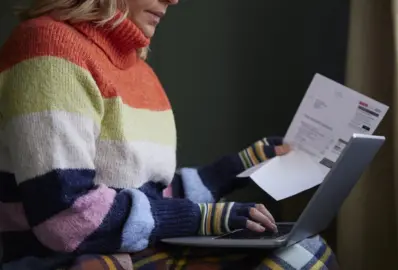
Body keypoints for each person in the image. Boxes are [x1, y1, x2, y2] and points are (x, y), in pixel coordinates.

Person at [0, 0, 339, 269]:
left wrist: (241, 165)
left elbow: (148, 196)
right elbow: (68, 217)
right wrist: (204, 219)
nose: (173, 0)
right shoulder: (47, 48)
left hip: (135, 251)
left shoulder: (139, 71)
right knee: (299, 258)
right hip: (65, 260)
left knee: (304, 250)